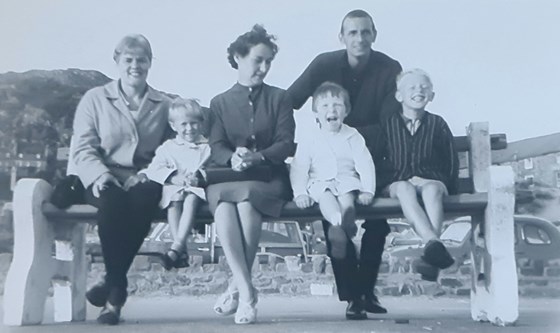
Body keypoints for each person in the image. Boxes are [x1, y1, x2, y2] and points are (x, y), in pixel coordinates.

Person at [287, 9, 401, 319]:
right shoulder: (324, 64)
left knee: (378, 220)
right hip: (326, 159)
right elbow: (289, 99)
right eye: (352, 32)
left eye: (365, 32)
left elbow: (389, 124)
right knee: (334, 221)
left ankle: (366, 290)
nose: (359, 38)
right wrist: (288, 139)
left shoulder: (390, 69)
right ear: (342, 37)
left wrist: (345, 135)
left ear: (374, 35)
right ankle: (353, 297)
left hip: (371, 158)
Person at [71, 34, 171, 325]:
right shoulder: (95, 98)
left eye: (142, 60)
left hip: (143, 179)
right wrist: (101, 175)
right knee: (113, 202)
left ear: (150, 63)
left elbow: (169, 152)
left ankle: (110, 286)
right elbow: (83, 147)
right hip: (102, 175)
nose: (135, 66)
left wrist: (144, 175)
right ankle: (117, 292)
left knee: (143, 199)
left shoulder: (162, 104)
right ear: (117, 62)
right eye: (128, 60)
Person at [207, 24, 295, 324]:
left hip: (269, 176)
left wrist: (256, 156)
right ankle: (246, 291)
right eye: (258, 59)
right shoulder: (219, 103)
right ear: (238, 57)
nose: (264, 67)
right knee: (223, 205)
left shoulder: (280, 98)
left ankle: (237, 288)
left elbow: (285, 143)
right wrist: (233, 158)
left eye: (269, 61)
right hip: (229, 176)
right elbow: (216, 145)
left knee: (247, 202)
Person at [382, 69, 458, 281]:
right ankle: (434, 247)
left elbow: (451, 160)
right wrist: (399, 180)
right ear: (399, 96)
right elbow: (380, 160)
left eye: (424, 87)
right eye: (412, 87)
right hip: (396, 183)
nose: (419, 91)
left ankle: (432, 247)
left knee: (433, 188)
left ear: (432, 95)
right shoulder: (387, 124)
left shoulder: (438, 124)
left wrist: (447, 187)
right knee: (405, 188)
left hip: (431, 181)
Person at [290, 82, 376, 260]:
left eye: (338, 105)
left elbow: (365, 163)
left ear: (346, 111)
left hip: (346, 178)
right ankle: (337, 224)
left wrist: (368, 190)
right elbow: (299, 168)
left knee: (347, 195)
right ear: (316, 113)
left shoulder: (352, 136)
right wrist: (299, 193)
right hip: (319, 181)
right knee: (325, 196)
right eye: (325, 106)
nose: (332, 110)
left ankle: (347, 218)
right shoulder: (309, 137)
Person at [140, 98, 210, 270]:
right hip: (175, 189)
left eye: (194, 123)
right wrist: (173, 177)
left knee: (191, 198)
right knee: (175, 198)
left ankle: (177, 247)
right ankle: (180, 249)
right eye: (184, 124)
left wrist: (199, 176)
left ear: (201, 124)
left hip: (197, 190)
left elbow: (213, 168)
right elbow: (154, 169)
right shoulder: (169, 147)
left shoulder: (207, 147)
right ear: (174, 126)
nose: (189, 129)